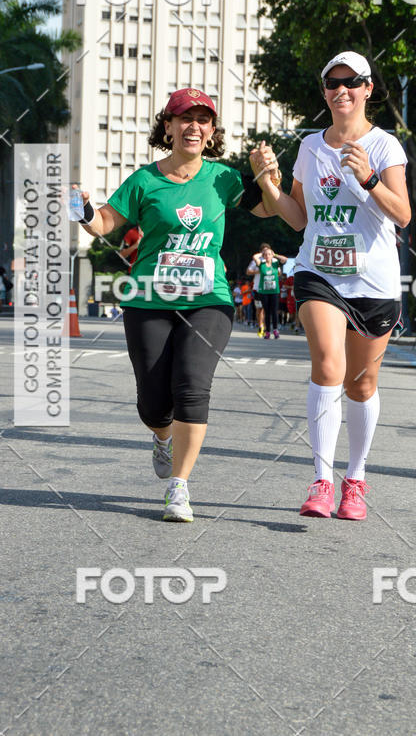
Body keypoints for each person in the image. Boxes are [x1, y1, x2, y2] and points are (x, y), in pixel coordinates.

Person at [75, 88, 279, 523]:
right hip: (149, 300)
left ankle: (178, 488)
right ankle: (161, 436)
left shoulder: (224, 179)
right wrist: (83, 208)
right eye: (184, 118)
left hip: (209, 299)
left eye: (203, 119)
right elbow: (105, 223)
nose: (194, 126)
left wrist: (267, 176)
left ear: (211, 131)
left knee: (191, 384)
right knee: (152, 402)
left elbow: (269, 209)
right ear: (166, 126)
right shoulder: (144, 181)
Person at [250, 51, 411, 520]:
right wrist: (267, 184)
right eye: (333, 83)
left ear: (367, 90)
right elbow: (299, 218)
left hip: (374, 281)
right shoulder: (309, 147)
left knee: (362, 385)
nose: (342, 90)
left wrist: (367, 178)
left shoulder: (385, 147)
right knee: (328, 364)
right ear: (325, 93)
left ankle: (354, 481)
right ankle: (322, 480)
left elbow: (401, 214)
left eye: (352, 82)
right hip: (319, 274)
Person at [252, 246, 287, 339]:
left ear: (272, 255)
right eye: (266, 255)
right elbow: (255, 257)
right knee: (266, 312)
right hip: (263, 292)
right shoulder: (261, 264)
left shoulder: (275, 264)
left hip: (274, 291)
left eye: (269, 254)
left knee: (274, 311)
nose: (267, 256)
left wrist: (274, 254)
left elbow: (284, 259)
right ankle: (267, 331)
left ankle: (275, 330)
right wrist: (263, 252)